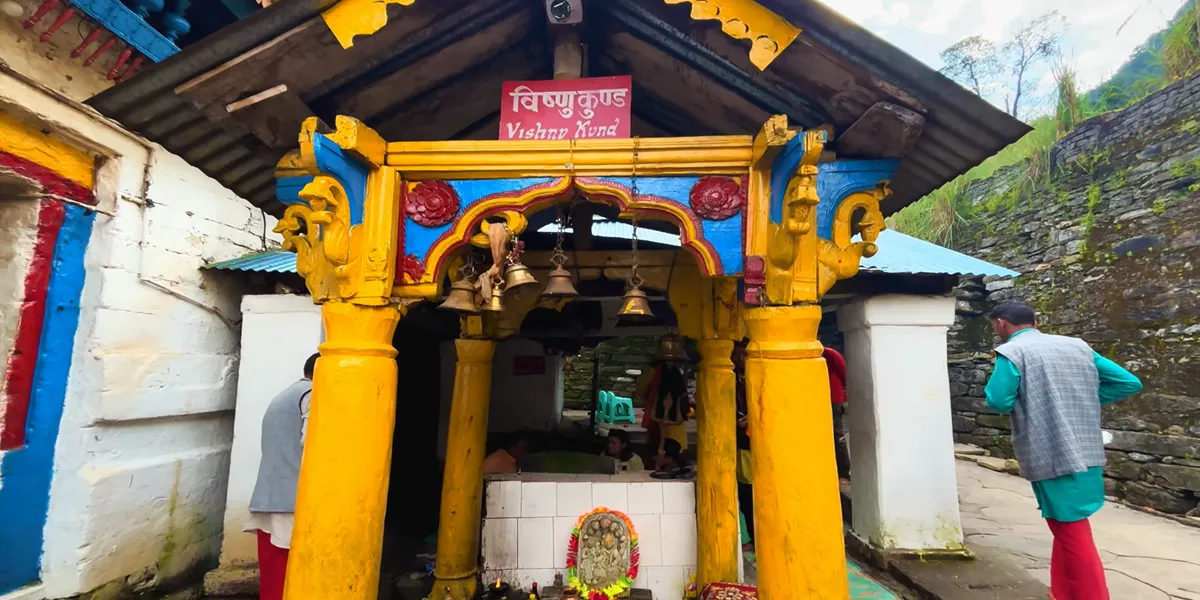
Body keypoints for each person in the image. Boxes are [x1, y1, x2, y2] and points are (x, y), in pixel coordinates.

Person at [984, 302, 1142, 600]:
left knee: (1071, 530)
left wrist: (1035, 403)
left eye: (994, 326)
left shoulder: (1012, 353)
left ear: (1002, 324)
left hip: (1050, 449)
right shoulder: (1078, 346)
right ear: (1036, 321)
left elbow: (998, 400)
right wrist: (1083, 398)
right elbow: (1128, 382)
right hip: (1087, 448)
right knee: (1067, 522)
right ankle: (1062, 590)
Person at [246, 353, 318, 600]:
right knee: (290, 578)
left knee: (273, 575)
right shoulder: (311, 395)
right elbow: (313, 445)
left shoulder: (285, 395)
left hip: (269, 496)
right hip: (293, 499)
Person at [823, 346, 851, 483]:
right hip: (820, 398)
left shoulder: (830, 354)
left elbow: (843, 372)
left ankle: (844, 473)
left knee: (837, 434)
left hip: (833, 398)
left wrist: (844, 390)